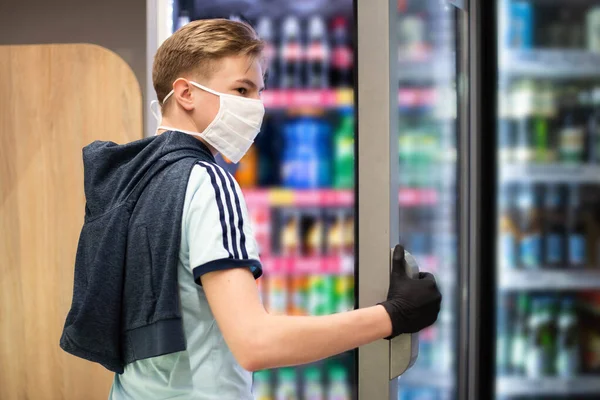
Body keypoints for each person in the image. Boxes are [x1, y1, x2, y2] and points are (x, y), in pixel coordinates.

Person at [60, 19, 441, 400]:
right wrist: (394, 315)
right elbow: (255, 343)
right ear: (185, 93)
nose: (256, 106)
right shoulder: (207, 181)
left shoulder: (133, 177)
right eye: (241, 89)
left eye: (259, 91)